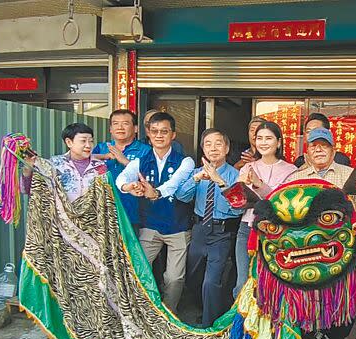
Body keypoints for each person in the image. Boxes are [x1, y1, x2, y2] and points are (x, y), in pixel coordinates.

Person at [282, 127, 356, 339]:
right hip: (304, 256)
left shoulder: (349, 175)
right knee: (301, 304)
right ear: (307, 151)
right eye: (314, 145)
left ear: (334, 150)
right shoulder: (295, 178)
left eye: (324, 145)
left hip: (343, 253)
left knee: (344, 302)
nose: (319, 149)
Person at [116, 111, 195, 312]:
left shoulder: (186, 161)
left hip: (177, 226)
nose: (159, 135)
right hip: (150, 226)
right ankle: (143, 312)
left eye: (164, 131)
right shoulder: (140, 161)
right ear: (148, 135)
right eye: (154, 131)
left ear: (173, 135)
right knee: (137, 270)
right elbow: (121, 180)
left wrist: (155, 192)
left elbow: (174, 185)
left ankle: (169, 315)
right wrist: (129, 187)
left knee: (174, 278)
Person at [175, 129, 243, 327]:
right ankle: (207, 308)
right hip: (199, 230)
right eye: (208, 144)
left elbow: (237, 208)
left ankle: (208, 323)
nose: (213, 148)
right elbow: (182, 196)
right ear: (203, 148)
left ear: (227, 148)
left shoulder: (235, 175)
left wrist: (219, 181)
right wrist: (197, 179)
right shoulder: (197, 172)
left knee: (211, 281)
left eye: (218, 144)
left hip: (222, 233)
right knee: (194, 277)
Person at [233, 121, 297, 297]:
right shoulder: (247, 167)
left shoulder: (291, 171)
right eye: (259, 138)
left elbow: (280, 202)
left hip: (276, 232)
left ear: (279, 142)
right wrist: (238, 193)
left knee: (271, 283)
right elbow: (238, 202)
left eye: (268, 138)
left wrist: (258, 184)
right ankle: (242, 323)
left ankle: (269, 323)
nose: (263, 142)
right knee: (242, 284)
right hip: (247, 228)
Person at [92, 109, 151, 231]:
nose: (120, 127)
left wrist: (124, 161)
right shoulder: (101, 148)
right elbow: (82, 162)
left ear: (135, 128)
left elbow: (149, 178)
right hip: (104, 213)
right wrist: (103, 156)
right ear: (110, 129)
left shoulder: (146, 150)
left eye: (125, 123)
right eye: (115, 123)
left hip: (133, 214)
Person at [22, 123, 106, 202]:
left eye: (91, 141)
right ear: (69, 142)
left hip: (92, 217)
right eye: (83, 141)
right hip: (61, 217)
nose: (88, 145)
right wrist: (28, 169)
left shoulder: (100, 166)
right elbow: (28, 189)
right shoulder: (54, 164)